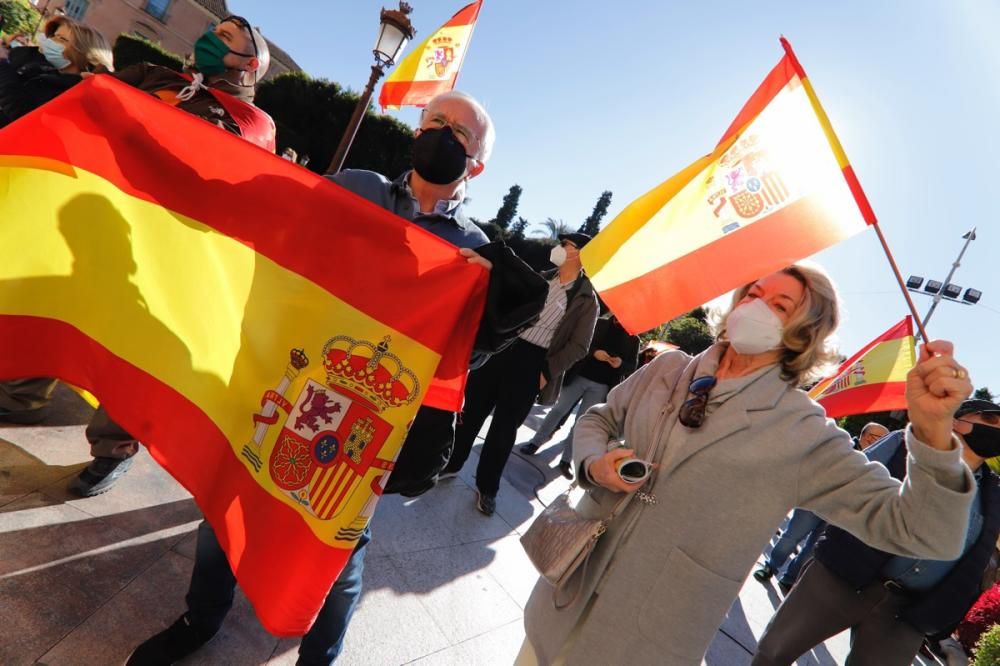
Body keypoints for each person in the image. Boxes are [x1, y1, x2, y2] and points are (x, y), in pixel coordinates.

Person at [128, 90, 496, 666]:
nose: (442, 134)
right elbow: (272, 215)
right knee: (229, 502)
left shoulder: (474, 251)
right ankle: (199, 619)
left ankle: (320, 658)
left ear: (476, 163)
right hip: (295, 382)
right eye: (435, 121)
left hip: (371, 421)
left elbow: (457, 365)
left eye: (460, 134)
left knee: (342, 549)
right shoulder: (357, 189)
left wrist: (480, 304)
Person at [519, 263, 976, 666]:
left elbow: (923, 532)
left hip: (645, 640)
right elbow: (600, 418)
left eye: (780, 305)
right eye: (754, 293)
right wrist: (595, 463)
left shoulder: (802, 430)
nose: (757, 306)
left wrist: (934, 435)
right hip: (563, 597)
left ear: (804, 332)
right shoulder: (670, 367)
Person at [752, 399, 1000, 666]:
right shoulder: (904, 444)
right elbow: (844, 483)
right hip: (842, 576)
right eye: (991, 421)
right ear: (957, 420)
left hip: (905, 616)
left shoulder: (994, 494)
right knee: (773, 654)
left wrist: (939, 620)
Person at [443, 233, 599, 515]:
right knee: (472, 411)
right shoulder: (540, 278)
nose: (559, 248)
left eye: (566, 246)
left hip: (534, 363)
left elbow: (579, 345)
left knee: (504, 429)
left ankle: (487, 488)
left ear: (580, 254)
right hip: (503, 349)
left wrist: (545, 373)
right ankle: (451, 464)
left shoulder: (587, 299)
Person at [752, 421, 891, 590]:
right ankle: (771, 567)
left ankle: (789, 579)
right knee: (792, 536)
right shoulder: (844, 446)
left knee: (811, 549)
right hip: (815, 500)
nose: (886, 442)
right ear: (869, 436)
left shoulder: (878, 465)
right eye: (882, 437)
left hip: (839, 512)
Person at [519, 312, 639, 479]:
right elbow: (582, 344)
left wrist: (620, 364)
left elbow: (632, 366)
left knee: (581, 422)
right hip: (580, 376)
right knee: (558, 410)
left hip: (602, 386)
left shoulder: (634, 339)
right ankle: (535, 443)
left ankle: (566, 460)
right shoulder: (599, 323)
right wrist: (594, 352)